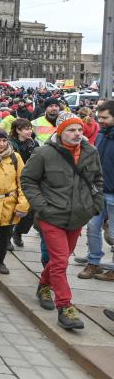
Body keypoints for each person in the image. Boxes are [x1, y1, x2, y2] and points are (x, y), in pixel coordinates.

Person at [21, 113, 104, 330]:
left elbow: (97, 179)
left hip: (78, 216)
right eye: (71, 130)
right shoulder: (44, 153)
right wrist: (42, 206)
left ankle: (43, 284)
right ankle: (65, 308)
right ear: (60, 132)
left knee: (63, 257)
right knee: (60, 261)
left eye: (79, 129)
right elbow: (28, 180)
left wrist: (95, 204)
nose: (77, 134)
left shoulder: (90, 151)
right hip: (52, 216)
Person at [0, 128, 30, 274]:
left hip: (8, 204)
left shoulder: (15, 157)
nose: (2, 144)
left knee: (4, 237)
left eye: (4, 140)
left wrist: (23, 203)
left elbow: (23, 181)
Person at [80, 101, 114, 280]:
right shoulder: (101, 134)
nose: (101, 121)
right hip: (99, 191)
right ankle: (93, 263)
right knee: (92, 227)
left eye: (105, 118)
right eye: (99, 117)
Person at [10, 118, 40, 247]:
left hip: (29, 180)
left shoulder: (34, 144)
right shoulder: (10, 144)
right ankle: (6, 238)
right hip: (12, 179)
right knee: (10, 209)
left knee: (30, 211)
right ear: (17, 130)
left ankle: (19, 232)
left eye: (30, 128)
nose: (29, 131)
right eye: (26, 129)